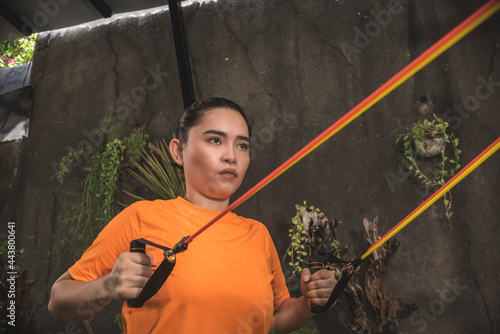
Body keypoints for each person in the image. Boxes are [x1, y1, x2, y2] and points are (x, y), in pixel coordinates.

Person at [48, 97, 337, 333]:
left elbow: (276, 318)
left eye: (242, 145)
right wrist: (107, 286)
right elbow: (58, 302)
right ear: (178, 151)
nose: (231, 156)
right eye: (215, 140)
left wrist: (308, 303)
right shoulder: (141, 217)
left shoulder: (257, 234)